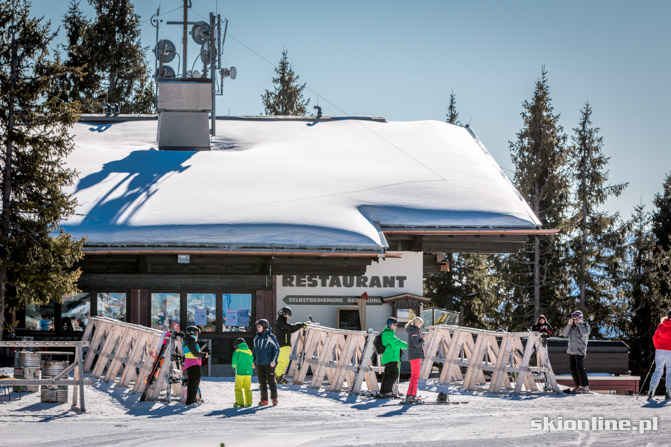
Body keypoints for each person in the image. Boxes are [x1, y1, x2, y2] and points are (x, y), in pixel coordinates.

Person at [562, 310, 590, 394]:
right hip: (571, 350)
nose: (575, 321)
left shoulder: (585, 325)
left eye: (577, 319)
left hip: (580, 351)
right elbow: (564, 334)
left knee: (580, 369)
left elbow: (585, 333)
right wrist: (569, 324)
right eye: (574, 319)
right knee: (573, 369)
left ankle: (585, 386)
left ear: (581, 318)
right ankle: (578, 386)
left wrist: (580, 324)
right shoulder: (572, 326)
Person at [253, 319, 280, 406]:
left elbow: (276, 349)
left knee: (271, 381)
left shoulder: (270, 337)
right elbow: (254, 351)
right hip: (259, 363)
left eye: (259, 326)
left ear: (264, 327)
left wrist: (273, 360)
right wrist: (254, 361)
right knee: (262, 383)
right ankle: (264, 400)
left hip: (269, 363)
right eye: (257, 326)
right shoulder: (256, 338)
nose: (257, 328)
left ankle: (274, 398)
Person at [275, 306, 305, 384]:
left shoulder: (282, 322)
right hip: (283, 344)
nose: (289, 316)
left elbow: (290, 329)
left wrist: (299, 325)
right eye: (288, 314)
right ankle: (276, 376)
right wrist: (301, 325)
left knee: (285, 362)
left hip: (285, 344)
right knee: (282, 361)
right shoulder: (280, 322)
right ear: (284, 314)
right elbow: (290, 328)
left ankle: (280, 376)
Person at [379, 317, 408, 397]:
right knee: (393, 374)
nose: (396, 326)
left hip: (390, 357)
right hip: (390, 358)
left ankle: (383, 391)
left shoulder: (389, 333)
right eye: (394, 324)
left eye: (397, 325)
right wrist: (409, 346)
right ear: (389, 324)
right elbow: (397, 343)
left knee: (388, 374)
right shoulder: (387, 334)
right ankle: (387, 391)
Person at [183, 325, 208, 406]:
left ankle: (193, 400)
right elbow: (195, 353)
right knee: (194, 383)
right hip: (193, 364)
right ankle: (191, 402)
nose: (197, 335)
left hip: (192, 364)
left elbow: (193, 352)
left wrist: (203, 354)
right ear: (193, 333)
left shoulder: (189, 340)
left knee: (193, 383)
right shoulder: (191, 339)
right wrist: (203, 355)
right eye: (197, 333)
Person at [648, 310, 671, 400]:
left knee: (658, 370)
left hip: (659, 350)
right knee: (670, 371)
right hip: (669, 351)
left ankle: (652, 389)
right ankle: (669, 391)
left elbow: (655, 337)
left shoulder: (661, 325)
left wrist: (657, 346)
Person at [405, 316, 425, 402]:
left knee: (415, 376)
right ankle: (411, 395)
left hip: (415, 356)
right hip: (415, 356)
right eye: (420, 323)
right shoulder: (413, 331)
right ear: (416, 323)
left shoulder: (414, 330)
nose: (421, 325)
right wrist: (423, 339)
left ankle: (411, 394)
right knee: (415, 377)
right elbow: (416, 344)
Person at [232, 337, 254, 407]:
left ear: (237, 345)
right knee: (247, 388)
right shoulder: (250, 352)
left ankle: (240, 403)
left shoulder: (237, 352)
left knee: (238, 388)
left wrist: (234, 367)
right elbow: (252, 362)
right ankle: (248, 403)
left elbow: (233, 363)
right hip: (249, 373)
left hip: (240, 373)